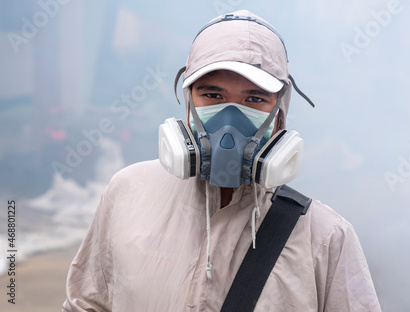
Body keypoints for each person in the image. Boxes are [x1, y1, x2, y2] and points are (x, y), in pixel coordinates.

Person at [63, 10, 381, 312]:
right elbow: (87, 303)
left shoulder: (325, 237)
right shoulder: (128, 193)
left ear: (279, 112)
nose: (230, 119)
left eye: (254, 99)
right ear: (188, 103)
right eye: (212, 95)